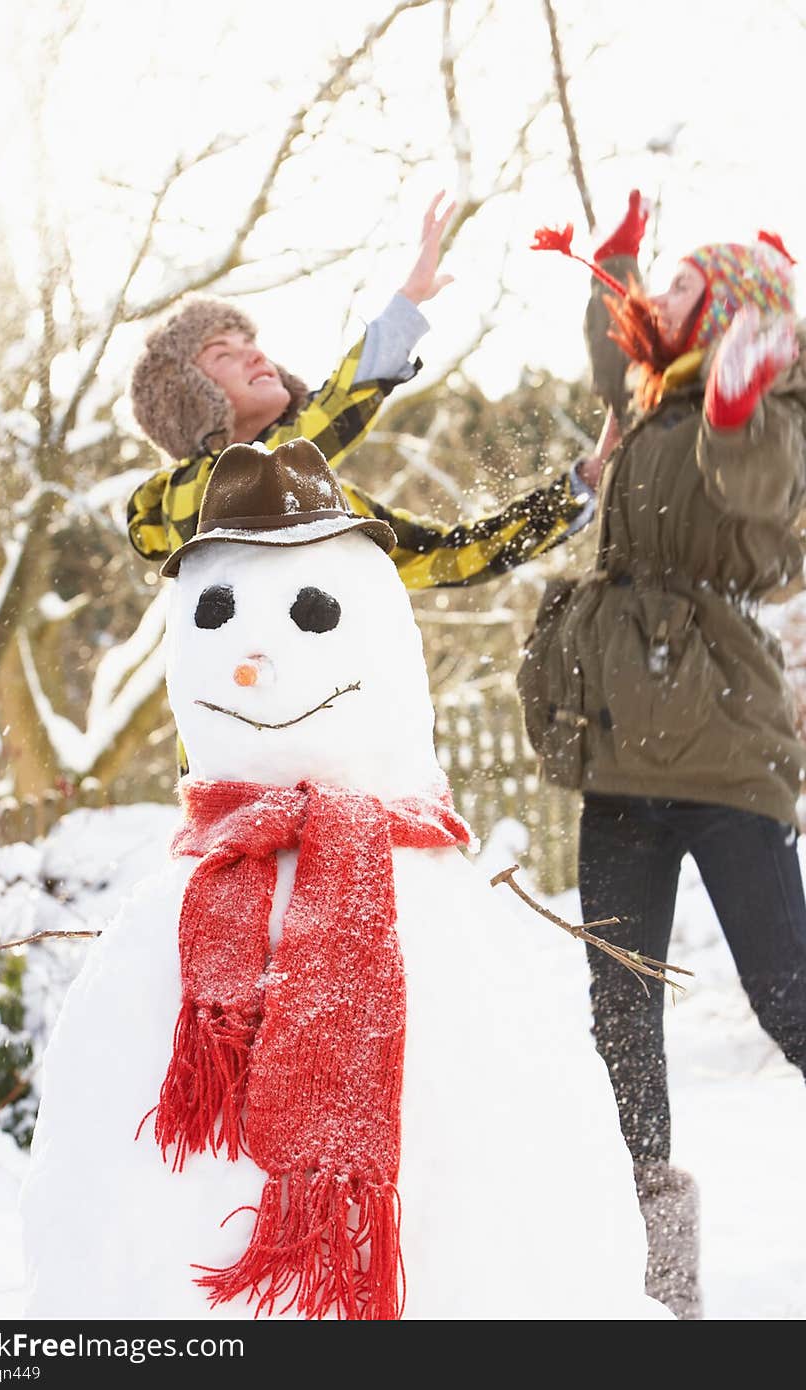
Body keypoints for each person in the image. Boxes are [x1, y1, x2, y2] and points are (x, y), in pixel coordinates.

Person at [521, 191, 806, 1319]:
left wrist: (740, 398)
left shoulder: (769, 410)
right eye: (667, 283)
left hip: (724, 760)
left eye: (690, 282)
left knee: (788, 997)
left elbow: (760, 494)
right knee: (618, 1014)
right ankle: (655, 1277)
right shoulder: (651, 405)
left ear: (737, 310)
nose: (664, 296)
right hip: (622, 768)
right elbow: (618, 359)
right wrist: (616, 266)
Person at [127, 193, 609, 591]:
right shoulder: (186, 498)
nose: (255, 355)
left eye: (251, 343)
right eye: (223, 354)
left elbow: (447, 555)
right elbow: (302, 440)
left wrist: (578, 487)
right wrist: (405, 308)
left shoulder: (323, 507)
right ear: (189, 399)